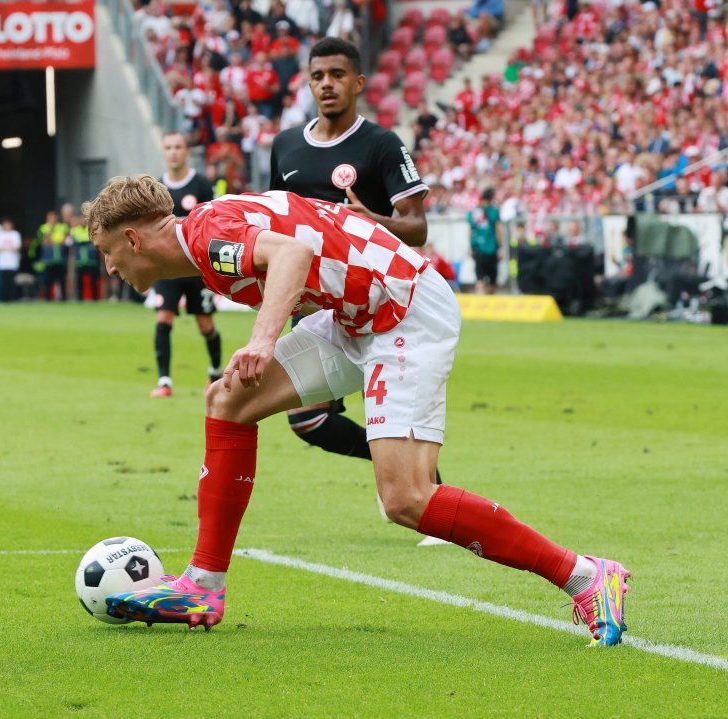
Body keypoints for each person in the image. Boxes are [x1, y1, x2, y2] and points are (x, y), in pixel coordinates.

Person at [83, 175, 630, 647]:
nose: (109, 267)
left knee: (407, 499)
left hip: (402, 310)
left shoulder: (207, 236)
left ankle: (584, 575)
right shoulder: (209, 228)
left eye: (108, 252)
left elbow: (292, 254)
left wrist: (263, 339)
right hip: (353, 317)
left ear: (133, 238)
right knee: (228, 400)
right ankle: (202, 586)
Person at [269, 38, 435, 504]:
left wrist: (371, 221)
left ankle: (427, 490)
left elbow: (417, 227)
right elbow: (275, 223)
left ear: (358, 83)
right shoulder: (285, 147)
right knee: (306, 419)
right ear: (308, 81)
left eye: (338, 75)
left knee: (390, 413)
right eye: (319, 75)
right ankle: (411, 472)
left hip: (378, 301)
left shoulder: (381, 144)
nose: (327, 84)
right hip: (313, 304)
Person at [150, 131, 223, 398]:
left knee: (205, 325)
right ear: (163, 151)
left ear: (187, 151)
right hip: (167, 270)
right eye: (168, 147)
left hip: (197, 269)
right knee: (163, 318)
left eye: (178, 147)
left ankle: (215, 372)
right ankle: (164, 381)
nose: (173, 152)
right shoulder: (156, 188)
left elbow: (214, 222)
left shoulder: (202, 184)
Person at [468, 188, 502, 294]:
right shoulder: (494, 211)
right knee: (492, 281)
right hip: (491, 249)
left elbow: (470, 231)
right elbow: (497, 230)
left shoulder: (474, 212)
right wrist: (501, 247)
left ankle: (480, 305)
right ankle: (491, 306)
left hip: (478, 249)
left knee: (479, 279)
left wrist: (471, 247)